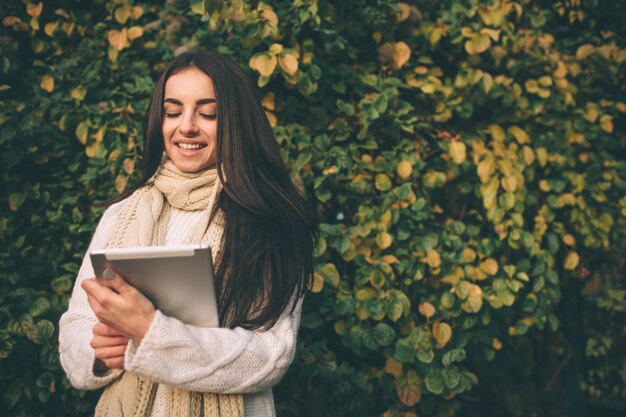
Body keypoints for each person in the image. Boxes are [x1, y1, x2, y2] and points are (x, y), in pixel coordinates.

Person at [58, 50, 317, 417]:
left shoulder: (269, 219)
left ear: (236, 122)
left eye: (208, 113)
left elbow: (272, 355)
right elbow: (76, 327)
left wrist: (152, 333)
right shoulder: (121, 215)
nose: (187, 126)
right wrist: (99, 354)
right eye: (173, 111)